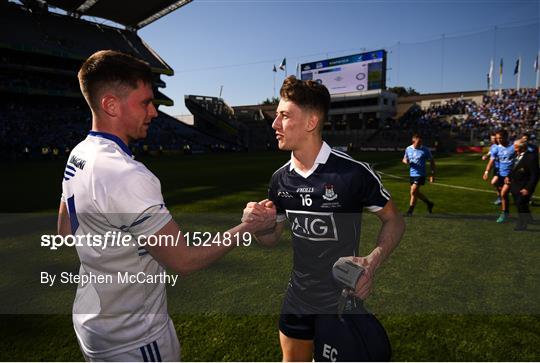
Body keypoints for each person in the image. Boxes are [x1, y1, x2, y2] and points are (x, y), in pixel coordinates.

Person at [57, 50, 273, 361]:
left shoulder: (78, 153)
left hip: (92, 324)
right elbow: (183, 261)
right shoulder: (127, 175)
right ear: (111, 105)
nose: (154, 112)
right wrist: (248, 227)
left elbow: (65, 231)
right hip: (134, 336)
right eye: (145, 102)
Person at [243, 76, 405, 361]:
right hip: (298, 299)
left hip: (341, 303)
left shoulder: (352, 174)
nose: (274, 124)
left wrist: (372, 261)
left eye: (283, 115)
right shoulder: (280, 180)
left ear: (310, 122)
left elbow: (394, 220)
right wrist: (258, 226)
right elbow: (271, 240)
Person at [483, 129, 515, 223]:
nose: (499, 140)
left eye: (500, 138)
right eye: (497, 138)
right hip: (501, 174)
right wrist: (486, 172)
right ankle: (505, 213)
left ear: (506, 137)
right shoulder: (496, 148)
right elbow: (491, 161)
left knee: (504, 194)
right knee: (503, 195)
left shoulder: (513, 147)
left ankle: (506, 213)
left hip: (511, 175)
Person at [508, 140, 539, 230]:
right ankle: (529, 218)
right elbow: (513, 168)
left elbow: (535, 175)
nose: (514, 149)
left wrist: (528, 188)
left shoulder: (531, 157)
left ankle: (522, 225)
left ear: (523, 147)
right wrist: (508, 177)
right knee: (521, 205)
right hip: (515, 185)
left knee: (520, 204)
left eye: (516, 147)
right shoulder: (515, 155)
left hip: (524, 186)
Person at [402, 134, 435, 216]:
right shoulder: (408, 149)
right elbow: (404, 159)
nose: (420, 143)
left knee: (413, 191)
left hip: (421, 174)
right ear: (413, 141)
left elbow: (432, 161)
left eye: (421, 142)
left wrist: (432, 174)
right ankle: (429, 203)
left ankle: (410, 211)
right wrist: (405, 161)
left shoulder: (425, 150)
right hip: (412, 174)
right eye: (418, 142)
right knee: (415, 193)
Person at [482, 132, 501, 205]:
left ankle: (501, 198)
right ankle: (500, 198)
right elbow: (490, 153)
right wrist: (486, 156)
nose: (493, 140)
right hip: (496, 167)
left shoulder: (501, 146)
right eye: (492, 138)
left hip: (501, 168)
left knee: (494, 182)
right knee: (496, 184)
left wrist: (486, 172)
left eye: (494, 138)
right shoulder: (493, 146)